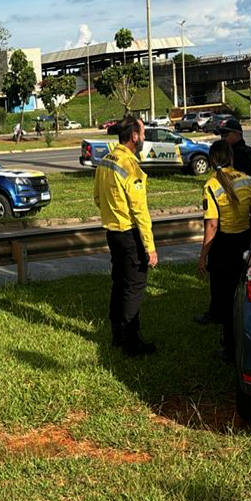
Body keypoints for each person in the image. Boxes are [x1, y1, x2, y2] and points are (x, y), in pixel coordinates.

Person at [93, 114, 159, 357]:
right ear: (133, 137)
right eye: (142, 133)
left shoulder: (105, 160)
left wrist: (112, 214)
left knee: (119, 283)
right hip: (129, 234)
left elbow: (97, 198)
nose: (143, 137)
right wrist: (150, 247)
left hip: (112, 233)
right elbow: (140, 211)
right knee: (134, 287)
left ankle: (117, 336)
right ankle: (132, 345)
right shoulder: (130, 167)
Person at [194, 116, 251, 325]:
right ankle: (234, 317)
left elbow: (213, 224)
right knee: (238, 280)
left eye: (227, 135)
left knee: (221, 283)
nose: (224, 138)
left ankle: (221, 317)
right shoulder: (249, 160)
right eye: (221, 136)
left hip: (225, 238)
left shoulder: (235, 164)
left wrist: (203, 255)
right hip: (244, 234)